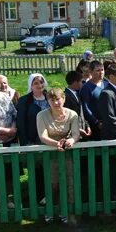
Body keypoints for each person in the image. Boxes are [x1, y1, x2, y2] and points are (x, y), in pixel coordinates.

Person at [37, 88, 81, 223]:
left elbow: (75, 133)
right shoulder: (41, 115)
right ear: (48, 101)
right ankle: (50, 211)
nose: (56, 102)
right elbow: (42, 136)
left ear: (64, 99)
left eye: (58, 99)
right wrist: (56, 144)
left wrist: (71, 141)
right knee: (53, 184)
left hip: (68, 154)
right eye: (52, 100)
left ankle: (67, 212)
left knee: (69, 183)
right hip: (51, 154)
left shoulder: (72, 114)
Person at [16, 73, 49, 146]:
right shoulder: (24, 101)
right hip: (32, 139)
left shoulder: (50, 97)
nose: (40, 85)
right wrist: (24, 142)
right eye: (36, 83)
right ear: (31, 85)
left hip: (50, 136)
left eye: (41, 82)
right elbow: (21, 123)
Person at [80, 60, 105, 139]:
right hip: (95, 126)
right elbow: (85, 107)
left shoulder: (107, 84)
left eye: (102, 70)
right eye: (97, 70)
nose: (101, 72)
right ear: (90, 72)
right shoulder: (86, 88)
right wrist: (96, 122)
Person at [64, 70, 91, 141]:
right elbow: (66, 117)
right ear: (75, 82)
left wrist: (86, 125)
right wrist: (76, 129)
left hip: (82, 130)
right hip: (72, 134)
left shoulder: (77, 94)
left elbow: (81, 113)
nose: (82, 84)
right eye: (81, 82)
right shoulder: (66, 96)